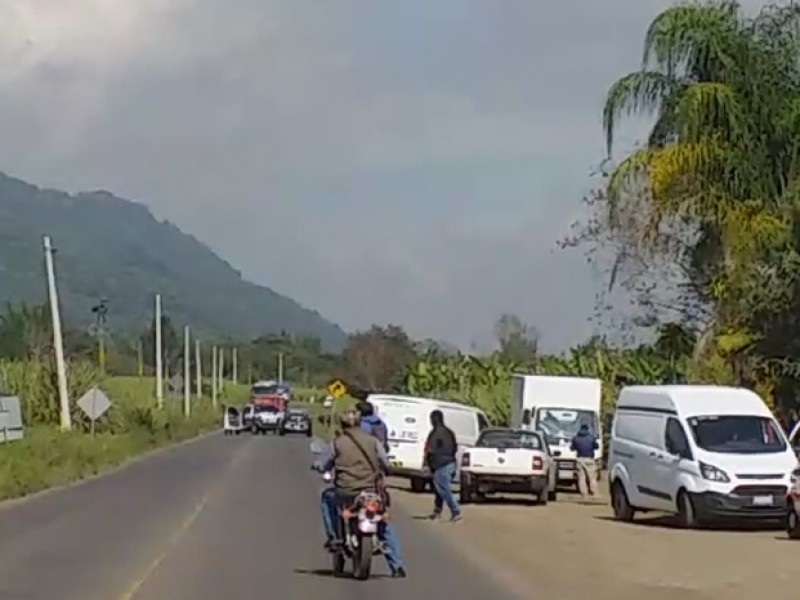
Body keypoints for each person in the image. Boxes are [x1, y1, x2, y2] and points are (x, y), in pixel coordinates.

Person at [314, 409, 407, 578]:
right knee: (383, 522)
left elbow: (322, 463)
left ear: (342, 425)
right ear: (359, 423)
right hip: (372, 491)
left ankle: (335, 538)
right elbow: (386, 464)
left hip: (346, 491)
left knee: (327, 498)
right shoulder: (373, 442)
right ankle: (397, 565)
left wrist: (319, 466)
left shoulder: (337, 443)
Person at [424, 409, 462, 521]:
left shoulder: (435, 434)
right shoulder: (449, 432)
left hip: (441, 465)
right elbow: (455, 447)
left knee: (443, 489)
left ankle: (456, 511)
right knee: (439, 490)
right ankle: (437, 511)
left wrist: (428, 463)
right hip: (450, 462)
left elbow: (430, 450)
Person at [571, 423, 599, 499]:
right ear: (587, 429)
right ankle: (594, 493)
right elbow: (596, 446)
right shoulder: (591, 438)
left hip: (580, 459)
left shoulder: (576, 438)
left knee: (581, 477)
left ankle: (584, 494)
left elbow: (572, 448)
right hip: (589, 459)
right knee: (592, 477)